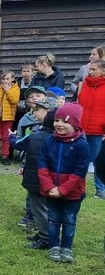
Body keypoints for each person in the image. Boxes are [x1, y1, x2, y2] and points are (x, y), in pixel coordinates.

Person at [37, 104, 88, 263]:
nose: (59, 124)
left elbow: (80, 172)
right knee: (52, 219)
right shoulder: (48, 142)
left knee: (69, 220)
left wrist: (63, 189)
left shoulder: (81, 145)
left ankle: (66, 248)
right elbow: (42, 165)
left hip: (72, 193)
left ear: (74, 124)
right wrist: (49, 187)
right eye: (57, 120)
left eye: (64, 121)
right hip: (51, 191)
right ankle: (54, 246)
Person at [11, 107, 56, 250]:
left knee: (39, 209)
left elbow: (18, 144)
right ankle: (44, 233)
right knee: (47, 208)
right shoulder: (57, 140)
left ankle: (45, 238)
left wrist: (11, 136)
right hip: (50, 181)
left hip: (36, 180)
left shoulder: (35, 136)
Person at [77, 59, 105, 199]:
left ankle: (100, 190)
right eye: (90, 69)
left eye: (94, 69)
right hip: (81, 129)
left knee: (98, 160)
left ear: (103, 71)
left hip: (98, 130)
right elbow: (79, 105)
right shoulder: (84, 85)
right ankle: (79, 188)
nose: (90, 71)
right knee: (80, 159)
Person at [0, 70, 20, 164]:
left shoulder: (16, 89)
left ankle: (5, 156)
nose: (5, 81)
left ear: (13, 79)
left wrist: (8, 91)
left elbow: (14, 101)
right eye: (3, 78)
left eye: (7, 78)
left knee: (6, 138)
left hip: (8, 117)